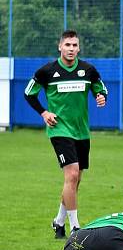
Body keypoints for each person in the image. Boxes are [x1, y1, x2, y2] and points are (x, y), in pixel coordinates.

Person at [24, 30, 108, 238]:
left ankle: (59, 221)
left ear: (79, 48)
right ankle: (76, 228)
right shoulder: (47, 72)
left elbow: (101, 89)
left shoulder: (88, 70)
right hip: (59, 129)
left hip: (81, 132)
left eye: (74, 45)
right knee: (71, 174)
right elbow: (29, 93)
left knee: (76, 179)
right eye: (67, 45)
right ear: (60, 47)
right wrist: (44, 112)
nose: (71, 49)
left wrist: (101, 97)